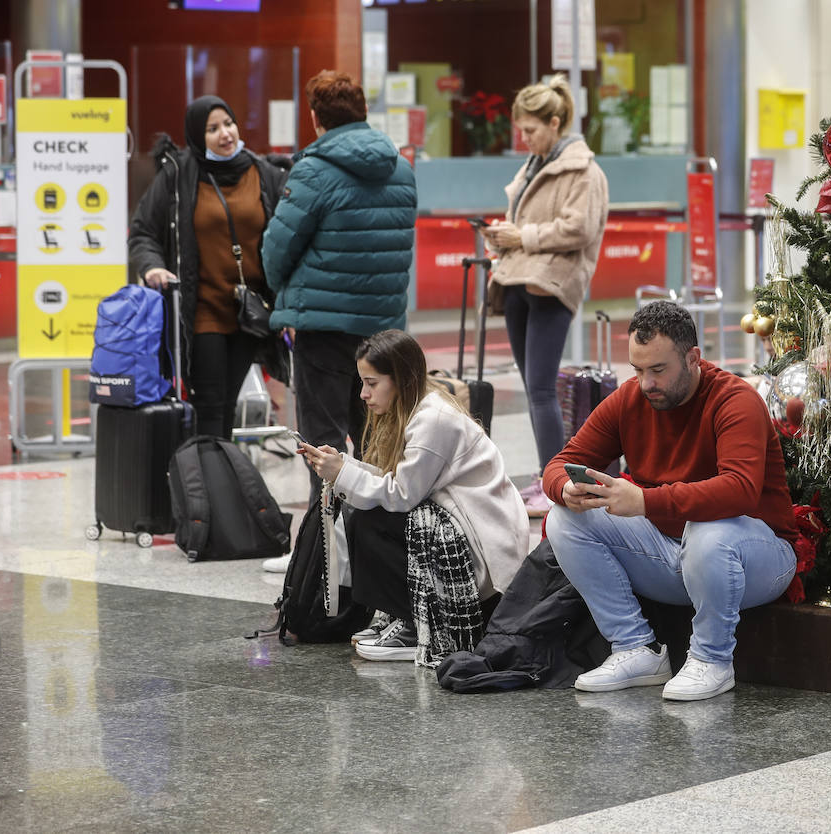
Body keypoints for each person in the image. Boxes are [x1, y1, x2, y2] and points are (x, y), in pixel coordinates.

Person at [543, 301, 798, 702]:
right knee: (564, 519)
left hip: (758, 560)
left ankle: (712, 660)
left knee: (709, 530)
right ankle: (635, 649)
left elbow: (739, 490)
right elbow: (560, 464)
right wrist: (566, 488)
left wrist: (645, 501)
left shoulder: (735, 400)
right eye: (638, 370)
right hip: (675, 554)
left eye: (658, 370)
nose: (646, 383)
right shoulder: (631, 399)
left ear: (693, 358)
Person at [300, 330, 530, 664]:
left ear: (401, 379)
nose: (363, 394)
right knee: (362, 508)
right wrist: (343, 465)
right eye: (361, 382)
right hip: (461, 528)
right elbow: (401, 483)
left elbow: (401, 496)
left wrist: (343, 473)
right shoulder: (417, 408)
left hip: (482, 553)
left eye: (371, 383)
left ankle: (414, 623)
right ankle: (402, 615)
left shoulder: (433, 419)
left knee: (370, 518)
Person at [263, 69, 417, 510]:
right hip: (383, 330)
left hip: (323, 327)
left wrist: (283, 294)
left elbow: (277, 249)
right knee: (375, 441)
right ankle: (370, 544)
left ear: (315, 118)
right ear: (363, 111)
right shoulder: (401, 169)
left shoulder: (312, 169)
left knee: (323, 444)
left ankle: (325, 554)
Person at [483, 74, 609, 517]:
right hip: (519, 280)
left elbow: (579, 229)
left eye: (531, 130)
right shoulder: (534, 166)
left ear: (555, 123)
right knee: (533, 387)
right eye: (521, 130)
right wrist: (504, 237)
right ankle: (545, 479)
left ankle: (552, 483)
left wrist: (523, 235)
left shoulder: (584, 170)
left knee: (540, 389)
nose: (524, 138)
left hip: (553, 284)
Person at [129, 95, 288, 439]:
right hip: (201, 309)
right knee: (210, 403)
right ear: (198, 136)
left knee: (228, 402)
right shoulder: (179, 174)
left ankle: (218, 476)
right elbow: (143, 231)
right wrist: (152, 266)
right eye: (212, 129)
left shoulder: (263, 173)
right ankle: (208, 481)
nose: (225, 134)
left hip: (250, 310)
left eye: (228, 124)